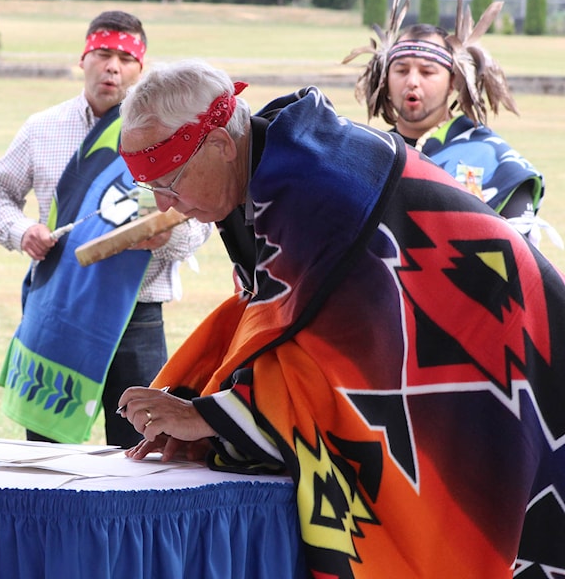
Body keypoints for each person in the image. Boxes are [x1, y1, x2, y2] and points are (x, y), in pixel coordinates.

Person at [115, 59, 565, 577]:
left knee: (498, 515)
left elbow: (350, 358)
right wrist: (203, 402)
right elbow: (284, 328)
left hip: (499, 340)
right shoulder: (273, 164)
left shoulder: (317, 187)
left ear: (219, 144)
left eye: (170, 183)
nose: (166, 204)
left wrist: (208, 418)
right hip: (489, 328)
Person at [0, 11, 211, 448]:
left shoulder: (169, 134)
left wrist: (167, 239)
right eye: (104, 54)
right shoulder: (42, 128)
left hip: (137, 315)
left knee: (140, 452)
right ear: (83, 57)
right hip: (57, 306)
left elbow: (201, 216)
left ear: (142, 69)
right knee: (48, 457)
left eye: (126, 58)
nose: (113, 67)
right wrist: (22, 230)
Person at [343, 0, 553, 247]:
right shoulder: (368, 156)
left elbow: (518, 266)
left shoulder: (496, 162)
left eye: (428, 71)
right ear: (385, 78)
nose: (413, 81)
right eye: (402, 70)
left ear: (453, 81)